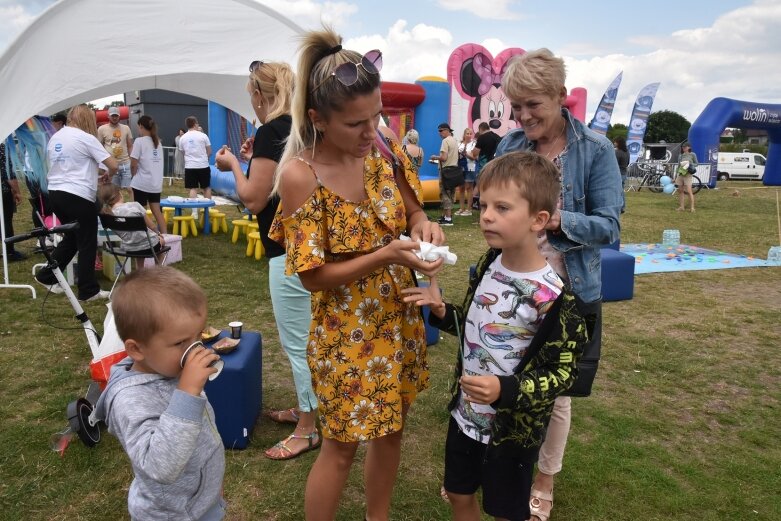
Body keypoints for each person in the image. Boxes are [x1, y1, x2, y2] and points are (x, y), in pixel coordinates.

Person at [270, 27, 446, 521]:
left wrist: (426, 229)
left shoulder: (383, 148)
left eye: (377, 116)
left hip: (399, 319)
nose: (371, 132)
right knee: (341, 446)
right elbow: (311, 276)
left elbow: (415, 214)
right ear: (317, 120)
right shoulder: (301, 176)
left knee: (392, 431)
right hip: (345, 334)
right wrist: (387, 256)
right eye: (355, 124)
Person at [402, 152, 589, 521]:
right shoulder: (490, 262)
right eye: (483, 204)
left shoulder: (554, 298)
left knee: (505, 511)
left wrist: (508, 390)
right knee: (458, 494)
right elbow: (477, 328)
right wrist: (443, 312)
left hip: (512, 435)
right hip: (465, 417)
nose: (486, 215)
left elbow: (565, 373)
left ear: (538, 220)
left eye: (502, 207)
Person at [495, 48, 622, 521]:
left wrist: (552, 221)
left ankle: (543, 479)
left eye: (534, 105)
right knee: (504, 374)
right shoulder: (509, 147)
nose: (524, 116)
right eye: (517, 106)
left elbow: (609, 225)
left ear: (561, 97)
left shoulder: (596, 150)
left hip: (569, 294)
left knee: (553, 390)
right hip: (511, 286)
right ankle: (501, 465)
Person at [214, 60, 319, 461]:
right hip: (314, 250)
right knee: (312, 338)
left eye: (252, 97)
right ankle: (306, 409)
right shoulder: (304, 129)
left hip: (287, 254)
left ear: (260, 95)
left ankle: (308, 428)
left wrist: (235, 166)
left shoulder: (271, 131)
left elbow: (254, 198)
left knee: (298, 344)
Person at [93, 266, 226, 521]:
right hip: (172, 515)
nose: (195, 349)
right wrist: (187, 392)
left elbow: (200, 433)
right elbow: (160, 466)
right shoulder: (130, 400)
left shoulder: (169, 369)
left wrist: (211, 485)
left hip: (201, 500)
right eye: (180, 343)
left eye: (199, 335)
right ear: (137, 349)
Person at [34, 104, 118, 300]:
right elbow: (113, 164)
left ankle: (48, 275)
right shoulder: (86, 138)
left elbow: (73, 164)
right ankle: (88, 290)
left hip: (56, 193)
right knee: (87, 242)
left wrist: (97, 173)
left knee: (73, 237)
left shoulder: (56, 137)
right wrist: (108, 175)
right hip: (78, 195)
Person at [97, 184, 165, 270]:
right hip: (149, 246)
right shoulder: (135, 205)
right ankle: (158, 271)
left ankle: (139, 271)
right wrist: (158, 234)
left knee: (137, 242)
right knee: (161, 241)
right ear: (120, 194)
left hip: (129, 248)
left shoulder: (108, 216)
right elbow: (151, 225)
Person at [129, 115, 166, 233]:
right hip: (155, 184)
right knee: (157, 212)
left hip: (142, 183)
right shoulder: (158, 142)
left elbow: (133, 164)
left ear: (140, 126)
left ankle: (148, 234)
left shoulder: (139, 141)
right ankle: (165, 235)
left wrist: (133, 174)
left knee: (141, 212)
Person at [98, 106, 134, 198]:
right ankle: (115, 209)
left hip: (125, 162)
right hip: (111, 165)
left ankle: (134, 208)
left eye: (116, 116)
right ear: (108, 116)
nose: (114, 118)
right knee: (114, 189)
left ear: (119, 116)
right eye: (112, 116)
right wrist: (102, 163)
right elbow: (99, 147)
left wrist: (132, 160)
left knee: (130, 188)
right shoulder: (102, 129)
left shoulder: (126, 128)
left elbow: (130, 145)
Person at [430, 122, 461, 226]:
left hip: (446, 171)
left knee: (445, 194)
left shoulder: (445, 141)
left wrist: (435, 157)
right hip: (454, 170)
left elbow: (444, 158)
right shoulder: (454, 140)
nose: (439, 133)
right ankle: (446, 216)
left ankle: (448, 219)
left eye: (441, 130)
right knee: (451, 193)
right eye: (439, 131)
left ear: (447, 130)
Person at [1, 142, 26, 261]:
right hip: (2, 191)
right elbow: (8, 172)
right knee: (6, 221)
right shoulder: (2, 146)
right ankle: (9, 252)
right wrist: (17, 192)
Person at [179, 116, 212, 200]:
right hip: (203, 165)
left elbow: (183, 152)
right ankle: (207, 210)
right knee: (206, 187)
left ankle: (194, 212)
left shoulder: (182, 138)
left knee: (193, 188)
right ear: (194, 124)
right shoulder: (203, 136)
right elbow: (209, 151)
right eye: (197, 123)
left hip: (190, 166)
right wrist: (205, 158)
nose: (198, 125)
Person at [456, 127, 476, 216]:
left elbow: (474, 157)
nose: (468, 135)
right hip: (460, 168)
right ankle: (461, 208)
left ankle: (469, 209)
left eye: (470, 133)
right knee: (461, 188)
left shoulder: (474, 144)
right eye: (467, 133)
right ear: (464, 135)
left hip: (470, 167)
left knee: (469, 187)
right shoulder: (459, 144)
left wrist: (466, 154)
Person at [676, 143, 698, 212]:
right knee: (680, 191)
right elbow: (678, 166)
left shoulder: (692, 154)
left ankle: (692, 208)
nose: (683, 148)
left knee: (689, 191)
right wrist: (676, 175)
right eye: (683, 147)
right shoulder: (680, 156)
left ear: (689, 147)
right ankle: (681, 207)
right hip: (681, 174)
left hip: (688, 175)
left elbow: (696, 163)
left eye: (685, 147)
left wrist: (690, 164)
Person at [613, 136, 629, 213]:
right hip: (624, 173)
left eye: (615, 142)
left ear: (618, 143)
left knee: (617, 191)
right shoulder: (627, 152)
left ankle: (620, 207)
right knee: (621, 191)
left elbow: (614, 163)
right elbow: (628, 162)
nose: (614, 143)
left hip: (618, 173)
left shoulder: (617, 152)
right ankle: (622, 206)